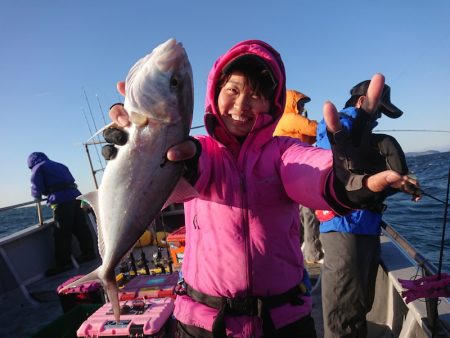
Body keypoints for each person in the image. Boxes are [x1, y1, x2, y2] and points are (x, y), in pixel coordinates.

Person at [104, 40, 418, 338]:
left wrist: (349, 176)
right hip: (203, 325)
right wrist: (137, 143)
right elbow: (181, 173)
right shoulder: (197, 151)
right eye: (233, 90)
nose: (241, 104)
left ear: (271, 102)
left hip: (283, 323)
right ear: (216, 92)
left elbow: (312, 174)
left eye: (255, 94)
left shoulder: (283, 152)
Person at [315, 80, 420, 338]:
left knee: (359, 305)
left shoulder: (372, 141)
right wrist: (358, 124)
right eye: (378, 111)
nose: (378, 119)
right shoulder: (339, 125)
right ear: (362, 102)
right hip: (345, 229)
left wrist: (398, 185)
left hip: (365, 227)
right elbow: (333, 151)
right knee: (343, 314)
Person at [273, 89, 323, 263]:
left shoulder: (286, 122)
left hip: (290, 174)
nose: (302, 108)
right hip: (295, 174)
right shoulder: (290, 118)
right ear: (292, 103)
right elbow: (315, 129)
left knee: (299, 214)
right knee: (309, 211)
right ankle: (313, 254)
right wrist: (333, 123)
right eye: (300, 104)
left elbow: (307, 140)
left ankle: (296, 248)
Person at [27, 152, 97, 276]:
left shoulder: (38, 168)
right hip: (76, 197)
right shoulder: (60, 165)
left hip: (61, 200)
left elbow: (36, 186)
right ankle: (89, 254)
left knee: (62, 233)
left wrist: (37, 197)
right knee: (81, 228)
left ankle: (63, 264)